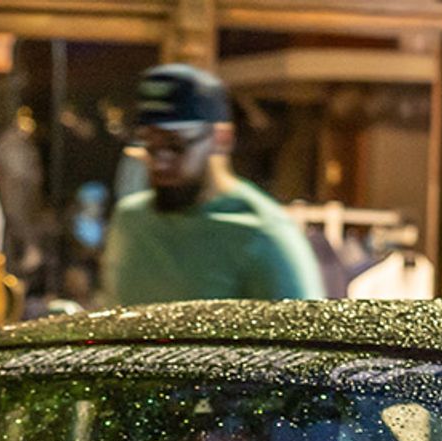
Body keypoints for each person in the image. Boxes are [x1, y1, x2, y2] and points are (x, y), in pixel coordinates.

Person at [98, 65, 322, 306]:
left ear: (221, 139)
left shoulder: (263, 234)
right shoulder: (131, 221)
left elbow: (306, 340)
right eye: (150, 145)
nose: (160, 162)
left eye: (175, 145)